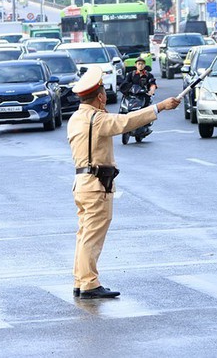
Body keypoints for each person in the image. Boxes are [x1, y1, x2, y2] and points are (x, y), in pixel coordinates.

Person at [67, 66, 180, 299]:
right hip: (97, 185)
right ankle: (89, 283)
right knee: (92, 236)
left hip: (82, 184)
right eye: (103, 94)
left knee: (84, 234)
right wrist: (159, 106)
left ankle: (81, 279)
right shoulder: (96, 119)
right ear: (99, 96)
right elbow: (126, 121)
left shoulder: (76, 118)